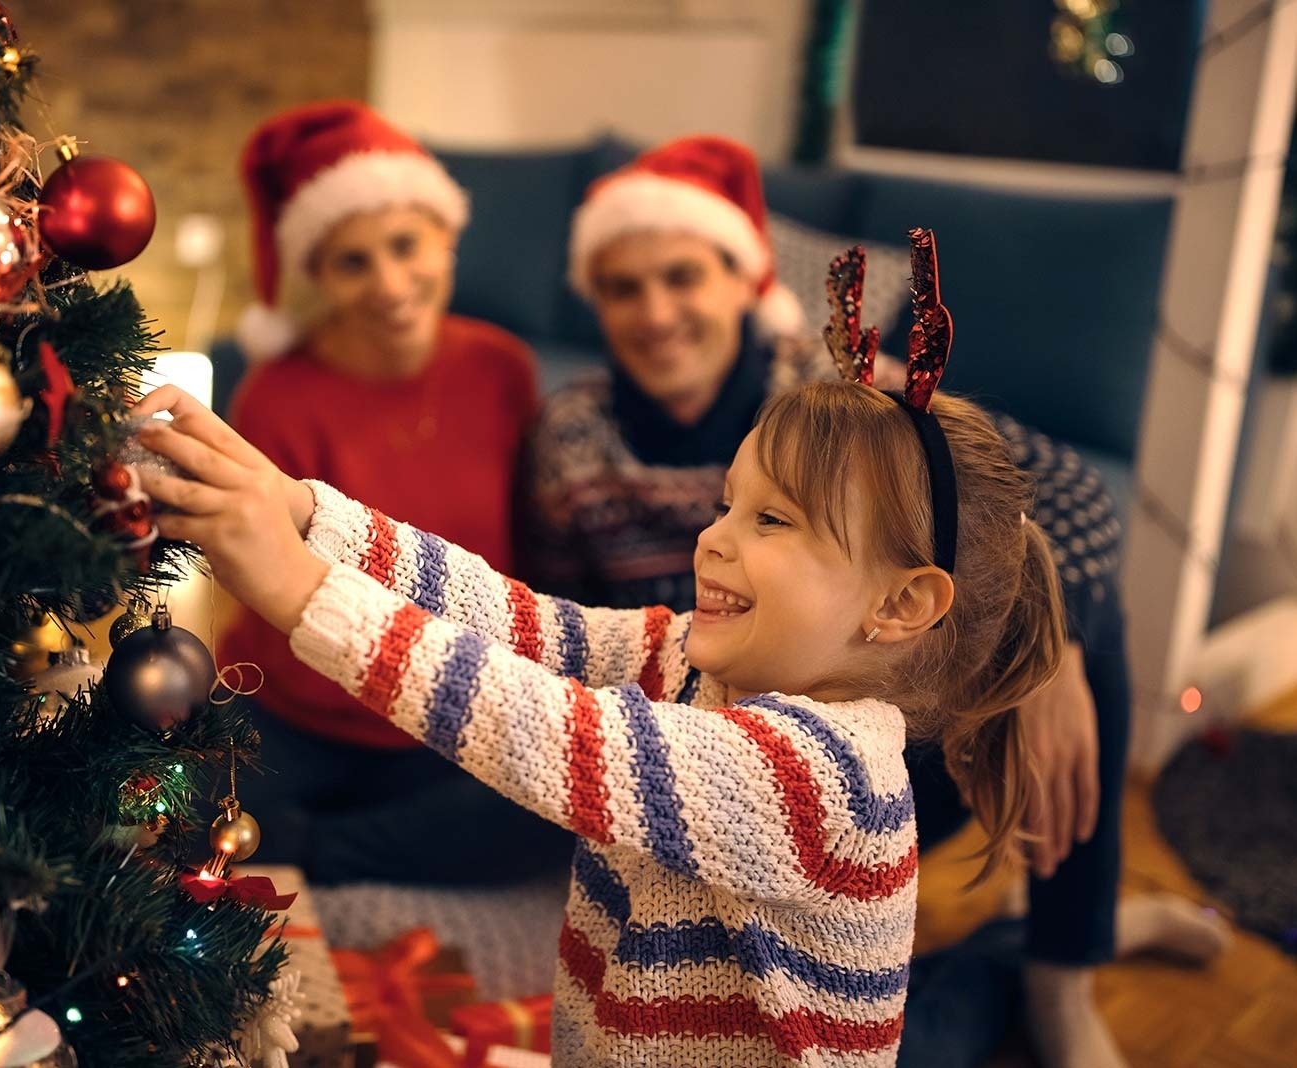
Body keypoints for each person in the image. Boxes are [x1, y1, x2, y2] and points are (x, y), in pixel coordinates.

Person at [127, 263, 1068, 1066]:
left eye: (771, 521)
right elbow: (519, 624)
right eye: (729, 503)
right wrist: (302, 512)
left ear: (900, 605)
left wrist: (299, 588)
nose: (715, 540)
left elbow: (548, 728)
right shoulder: (696, 663)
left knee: (948, 1026)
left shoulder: (822, 778)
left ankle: (1005, 970)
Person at [522, 136, 1228, 1067]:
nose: (654, 312)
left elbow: (1062, 494)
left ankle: (1064, 968)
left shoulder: (840, 404)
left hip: (876, 755)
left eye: (682, 276)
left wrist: (1048, 651)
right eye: (621, 287)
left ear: (743, 277)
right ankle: (1027, 955)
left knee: (1080, 610)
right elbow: (557, 625)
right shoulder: (571, 438)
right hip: (696, 762)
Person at [218, 100, 570, 884]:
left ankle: (315, 850)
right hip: (296, 712)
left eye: (406, 245)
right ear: (316, 277)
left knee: (556, 816)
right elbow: (267, 583)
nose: (389, 284)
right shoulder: (275, 397)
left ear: (446, 239)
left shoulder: (503, 370)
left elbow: (533, 553)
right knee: (186, 814)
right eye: (352, 262)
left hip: (447, 716)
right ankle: (346, 839)